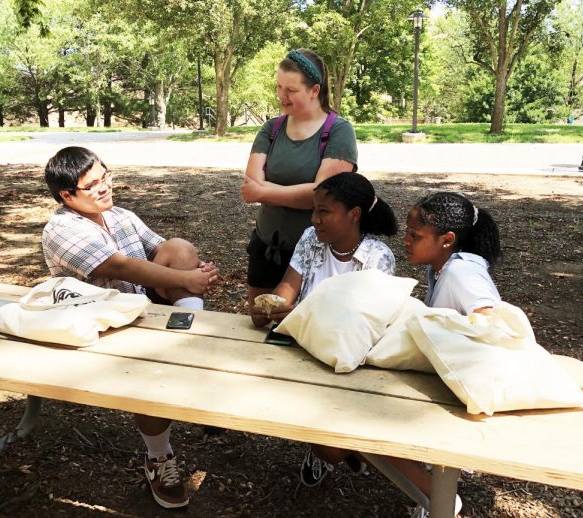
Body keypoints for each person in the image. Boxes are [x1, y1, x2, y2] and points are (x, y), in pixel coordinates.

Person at [41, 146, 220, 509]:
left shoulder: (121, 215)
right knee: (152, 372)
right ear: (67, 195)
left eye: (106, 177)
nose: (105, 187)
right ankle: (158, 456)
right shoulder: (61, 228)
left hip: (142, 310)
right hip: (101, 323)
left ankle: (191, 342)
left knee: (181, 248)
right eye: (93, 185)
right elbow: (120, 268)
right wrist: (188, 280)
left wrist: (194, 272)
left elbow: (162, 252)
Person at [248, 172, 397, 486]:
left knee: (331, 449)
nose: (314, 219)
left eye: (323, 212)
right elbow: (287, 287)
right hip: (301, 350)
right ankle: (341, 446)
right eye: (314, 210)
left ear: (354, 215)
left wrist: (300, 314)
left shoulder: (377, 259)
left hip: (345, 362)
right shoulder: (310, 239)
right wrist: (268, 305)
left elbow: (360, 328)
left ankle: (340, 448)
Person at [400, 191, 503, 518]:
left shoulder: (461, 273)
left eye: (415, 236)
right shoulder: (442, 267)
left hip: (467, 391)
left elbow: (490, 321)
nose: (406, 241)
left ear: (447, 240)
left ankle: (439, 500)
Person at [241, 48, 358, 319]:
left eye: (291, 90)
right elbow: (250, 186)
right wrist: (292, 192)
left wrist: (264, 191)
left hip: (317, 254)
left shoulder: (340, 132)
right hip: (266, 247)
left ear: (314, 90)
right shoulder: (271, 129)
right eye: (279, 87)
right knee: (259, 322)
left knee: (306, 327)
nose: (281, 96)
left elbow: (324, 195)